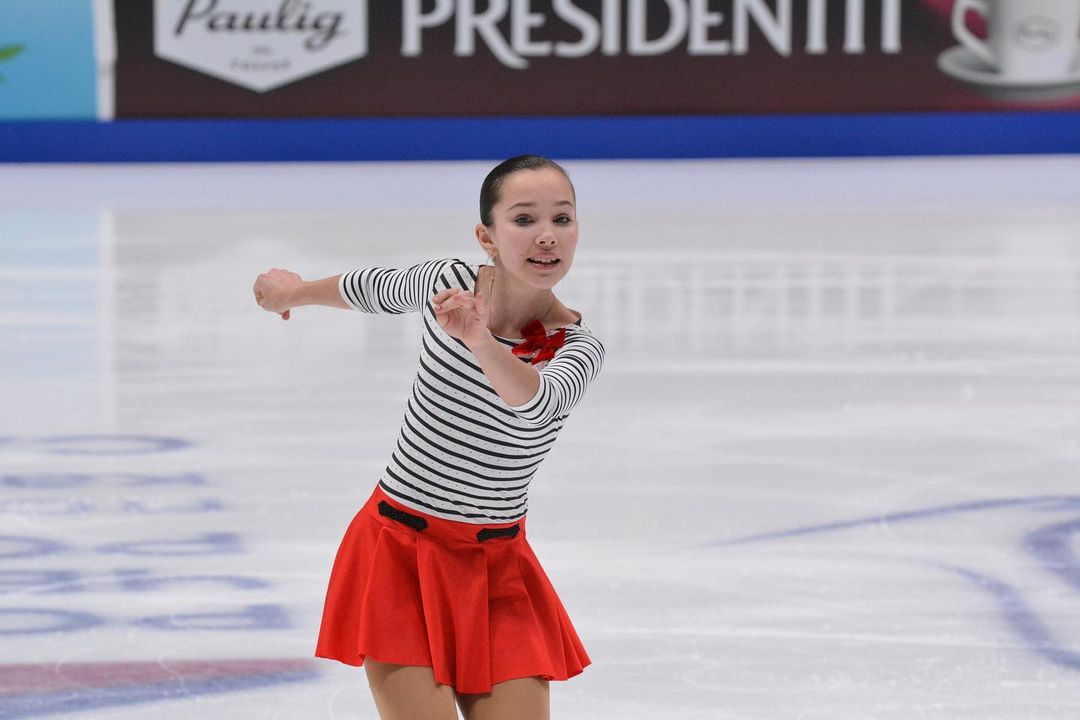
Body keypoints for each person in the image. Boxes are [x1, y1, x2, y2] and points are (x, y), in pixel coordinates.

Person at [252, 155, 605, 720]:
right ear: (486, 237)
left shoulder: (578, 347)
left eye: (562, 219)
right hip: (400, 554)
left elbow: (534, 405)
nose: (547, 235)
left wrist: (478, 339)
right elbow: (370, 288)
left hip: (497, 571)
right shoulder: (448, 284)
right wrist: (292, 292)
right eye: (524, 219)